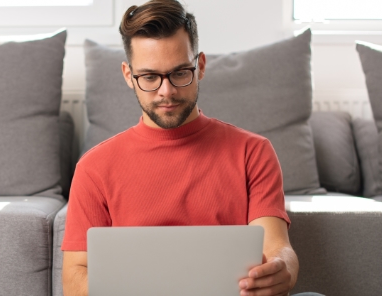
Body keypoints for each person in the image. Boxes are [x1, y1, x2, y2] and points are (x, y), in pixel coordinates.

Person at [62, 1, 321, 296]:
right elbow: (74, 279)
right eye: (149, 77)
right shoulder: (94, 167)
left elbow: (276, 246)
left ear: (200, 66)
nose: (166, 91)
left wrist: (281, 269)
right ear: (128, 76)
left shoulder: (254, 152)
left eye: (180, 73)